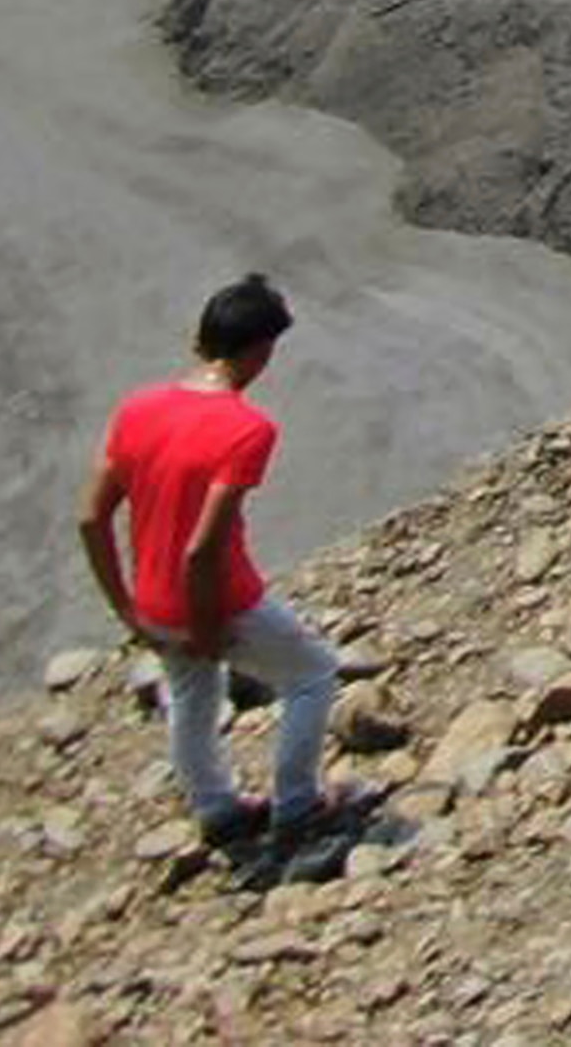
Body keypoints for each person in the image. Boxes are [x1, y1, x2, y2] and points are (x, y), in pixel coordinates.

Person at [75, 277, 365, 848]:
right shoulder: (247, 429)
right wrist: (207, 624)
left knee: (192, 696)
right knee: (312, 676)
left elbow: (90, 516)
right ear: (258, 350)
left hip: (153, 603)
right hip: (221, 602)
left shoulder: (138, 409)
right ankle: (297, 806)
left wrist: (128, 613)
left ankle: (216, 809)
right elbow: (203, 548)